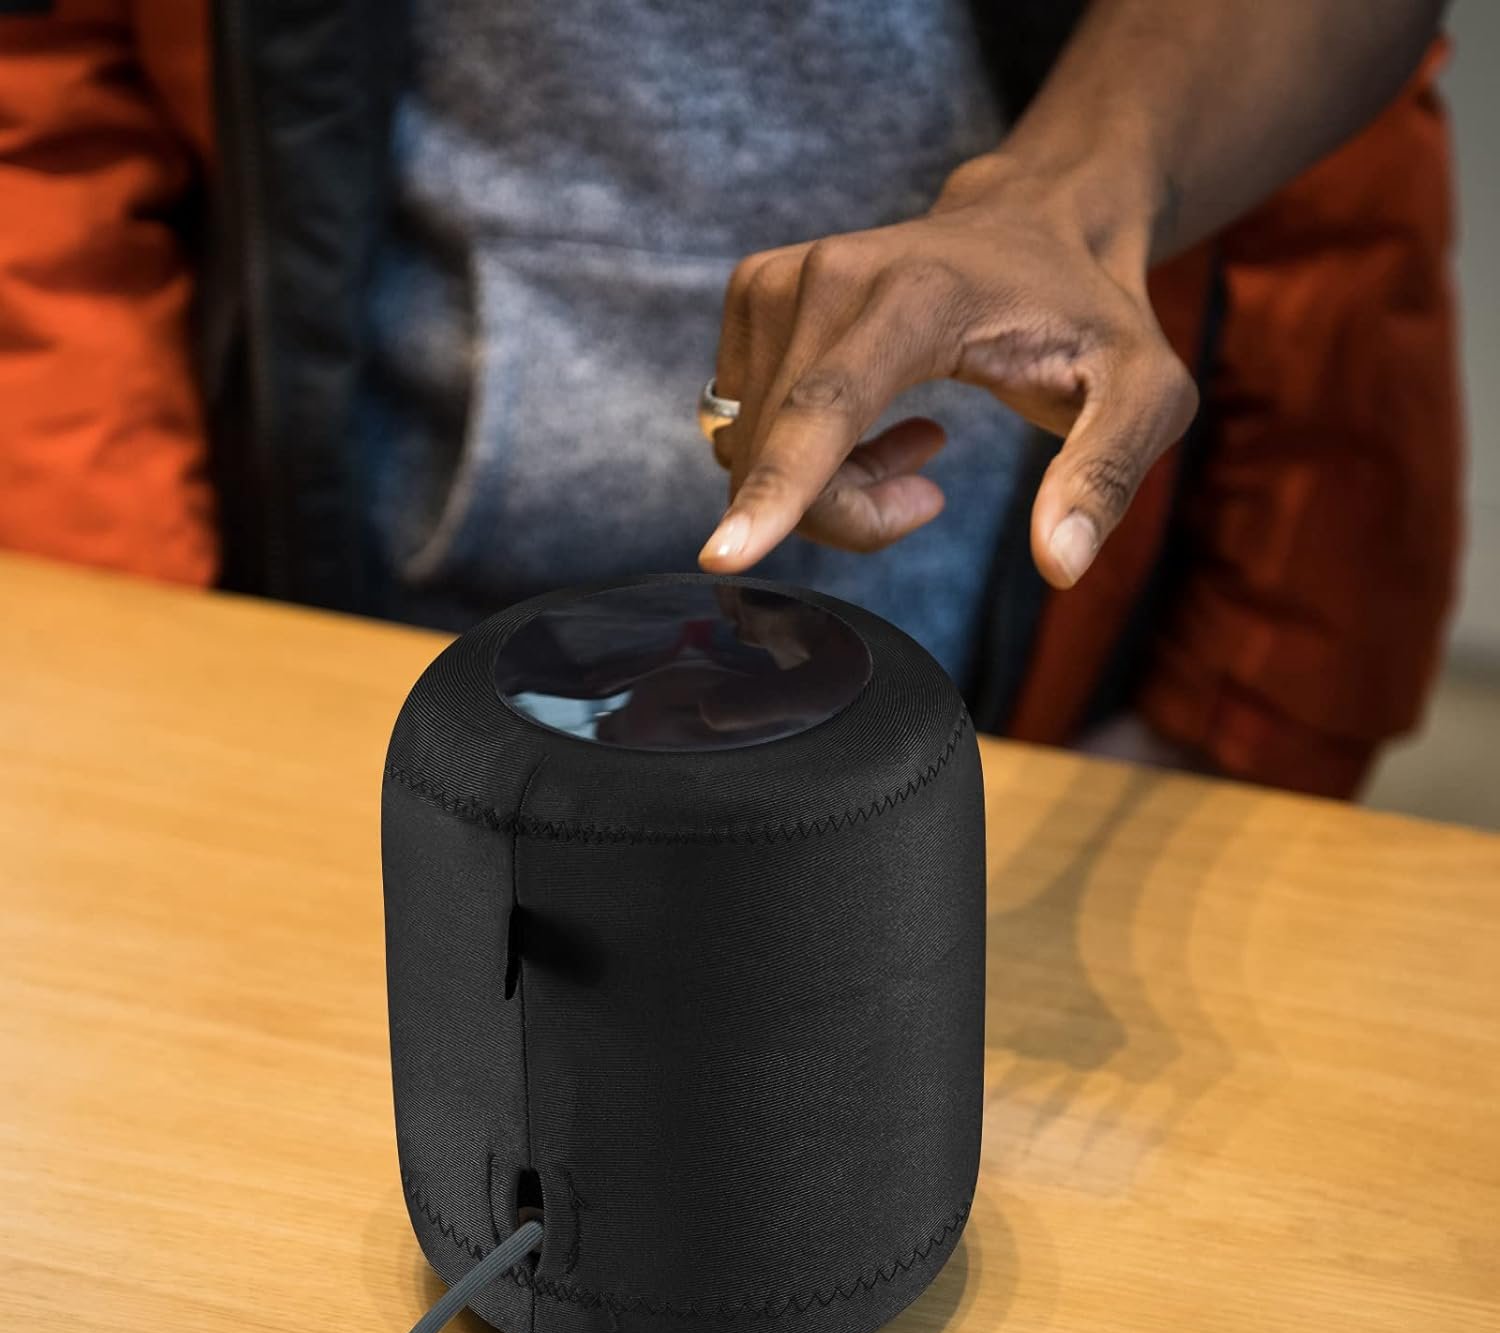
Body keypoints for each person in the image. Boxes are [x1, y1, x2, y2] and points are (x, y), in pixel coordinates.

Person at [0, 0, 1461, 796]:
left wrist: (1241, 712)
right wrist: (139, 681)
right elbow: (48, 111)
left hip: (1024, 690)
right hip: (335, 647)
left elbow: (1343, 147)